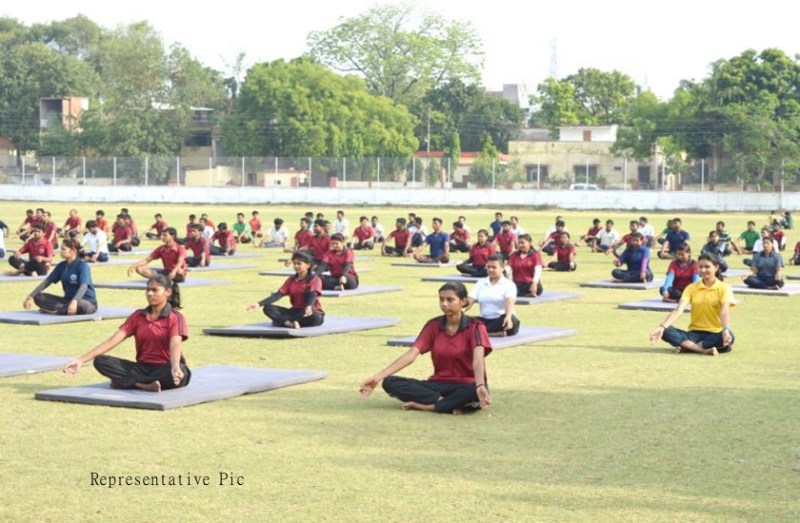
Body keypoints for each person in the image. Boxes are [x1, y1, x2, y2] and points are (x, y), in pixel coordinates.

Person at [359, 282, 491, 414]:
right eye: (441, 299)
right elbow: (411, 355)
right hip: (438, 385)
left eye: (450, 300)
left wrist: (480, 385)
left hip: (467, 384)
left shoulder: (476, 327)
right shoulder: (433, 325)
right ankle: (448, 403)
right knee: (390, 382)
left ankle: (430, 406)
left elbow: (478, 360)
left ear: (463, 301)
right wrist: (378, 377)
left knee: (474, 391)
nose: (444, 304)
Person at [63, 274, 191, 392]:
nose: (149, 293)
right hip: (141, 368)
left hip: (165, 369)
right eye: (147, 290)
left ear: (168, 292)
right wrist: (81, 360)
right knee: (100, 361)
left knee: (182, 372)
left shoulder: (175, 318)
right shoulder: (138, 316)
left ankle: (129, 382)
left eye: (154, 290)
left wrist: (175, 367)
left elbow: (175, 344)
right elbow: (112, 341)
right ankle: (142, 384)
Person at [650, 253, 734, 356]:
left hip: (715, 334)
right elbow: (678, 310)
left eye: (707, 267)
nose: (703, 270)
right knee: (666, 331)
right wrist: (662, 327)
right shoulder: (691, 288)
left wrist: (725, 330)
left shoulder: (724, 288)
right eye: (700, 267)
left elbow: (724, 312)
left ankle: (688, 347)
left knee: (730, 336)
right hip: (694, 334)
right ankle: (702, 350)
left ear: (716, 267)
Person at [246, 252, 324, 329]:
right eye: (294, 264)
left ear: (308, 265)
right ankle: (289, 323)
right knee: (268, 308)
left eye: (299, 264)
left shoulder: (315, 279)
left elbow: (313, 294)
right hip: (295, 311)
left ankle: (284, 321)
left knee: (311, 312)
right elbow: (278, 294)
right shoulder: (291, 279)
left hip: (310, 312)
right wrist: (259, 304)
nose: (296, 266)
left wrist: (309, 306)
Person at [23, 238, 97, 315]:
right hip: (67, 301)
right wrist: (30, 297)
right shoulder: (61, 266)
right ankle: (63, 309)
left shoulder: (82, 266)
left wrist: (75, 301)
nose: (60, 251)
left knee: (81, 304)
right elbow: (47, 282)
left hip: (86, 302)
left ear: (73, 251)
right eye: (61, 249)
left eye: (63, 249)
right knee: (39, 297)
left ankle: (57, 311)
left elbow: (84, 286)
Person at [466, 256, 520, 337]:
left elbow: (509, 302)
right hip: (485, 320)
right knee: (464, 320)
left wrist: (508, 316)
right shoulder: (480, 283)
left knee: (511, 320)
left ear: (502, 268)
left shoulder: (509, 285)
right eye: (488, 267)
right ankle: (491, 333)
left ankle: (481, 332)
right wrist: (460, 312)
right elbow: (469, 300)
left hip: (502, 319)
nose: (490, 270)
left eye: (494, 267)